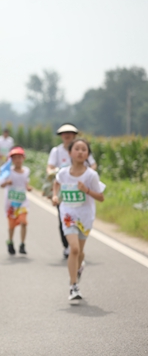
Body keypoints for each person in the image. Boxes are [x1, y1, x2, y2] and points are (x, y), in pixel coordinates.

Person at [52, 138, 105, 301]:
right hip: (68, 214)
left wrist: (86, 190)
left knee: (80, 253)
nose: (81, 152)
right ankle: (73, 286)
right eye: (77, 149)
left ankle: (79, 267)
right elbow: (56, 183)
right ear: (70, 153)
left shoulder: (91, 175)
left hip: (85, 216)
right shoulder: (63, 173)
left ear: (88, 154)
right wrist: (55, 195)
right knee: (73, 249)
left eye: (84, 149)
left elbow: (101, 197)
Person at [47, 123, 97, 259]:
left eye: (70, 133)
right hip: (65, 190)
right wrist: (55, 174)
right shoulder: (56, 151)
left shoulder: (80, 148)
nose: (67, 135)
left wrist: (88, 176)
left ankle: (78, 248)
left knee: (82, 218)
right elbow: (50, 167)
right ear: (61, 136)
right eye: (64, 133)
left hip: (80, 190)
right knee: (63, 219)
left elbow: (93, 164)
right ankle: (68, 246)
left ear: (74, 135)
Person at [0, 146, 32, 255]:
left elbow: (26, 183)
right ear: (11, 160)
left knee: (24, 222)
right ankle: (10, 241)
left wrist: (28, 188)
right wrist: (6, 182)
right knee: (12, 226)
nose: (18, 160)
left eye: (20, 157)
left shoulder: (26, 171)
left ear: (23, 158)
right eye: (15, 158)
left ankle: (22, 244)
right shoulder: (8, 172)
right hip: (11, 203)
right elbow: (1, 185)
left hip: (22, 202)